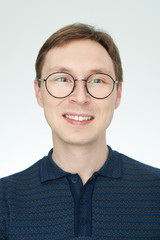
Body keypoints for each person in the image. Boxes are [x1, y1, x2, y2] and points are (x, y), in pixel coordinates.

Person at [0, 23, 160, 240]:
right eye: (63, 79)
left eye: (97, 80)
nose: (81, 97)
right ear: (39, 92)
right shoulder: (4, 199)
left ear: (118, 93)